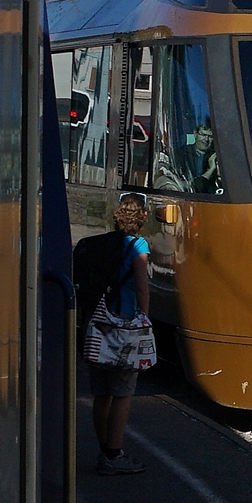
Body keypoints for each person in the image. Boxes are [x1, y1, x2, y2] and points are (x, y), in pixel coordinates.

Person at [91, 193, 150, 476]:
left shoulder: (104, 244)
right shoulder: (138, 245)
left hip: (100, 325)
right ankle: (114, 454)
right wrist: (145, 319)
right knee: (123, 393)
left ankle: (104, 449)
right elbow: (141, 287)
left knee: (102, 394)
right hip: (125, 327)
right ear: (143, 217)